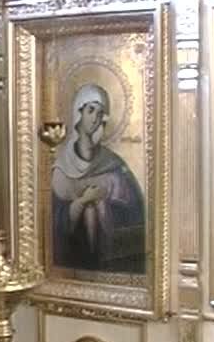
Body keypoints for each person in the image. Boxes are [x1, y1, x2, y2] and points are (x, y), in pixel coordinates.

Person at [51, 83, 145, 274]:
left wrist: (103, 204)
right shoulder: (61, 167)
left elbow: (136, 214)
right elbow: (52, 220)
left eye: (100, 113)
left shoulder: (113, 164)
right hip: (72, 261)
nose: (95, 118)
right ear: (78, 113)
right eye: (91, 110)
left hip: (112, 264)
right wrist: (82, 202)